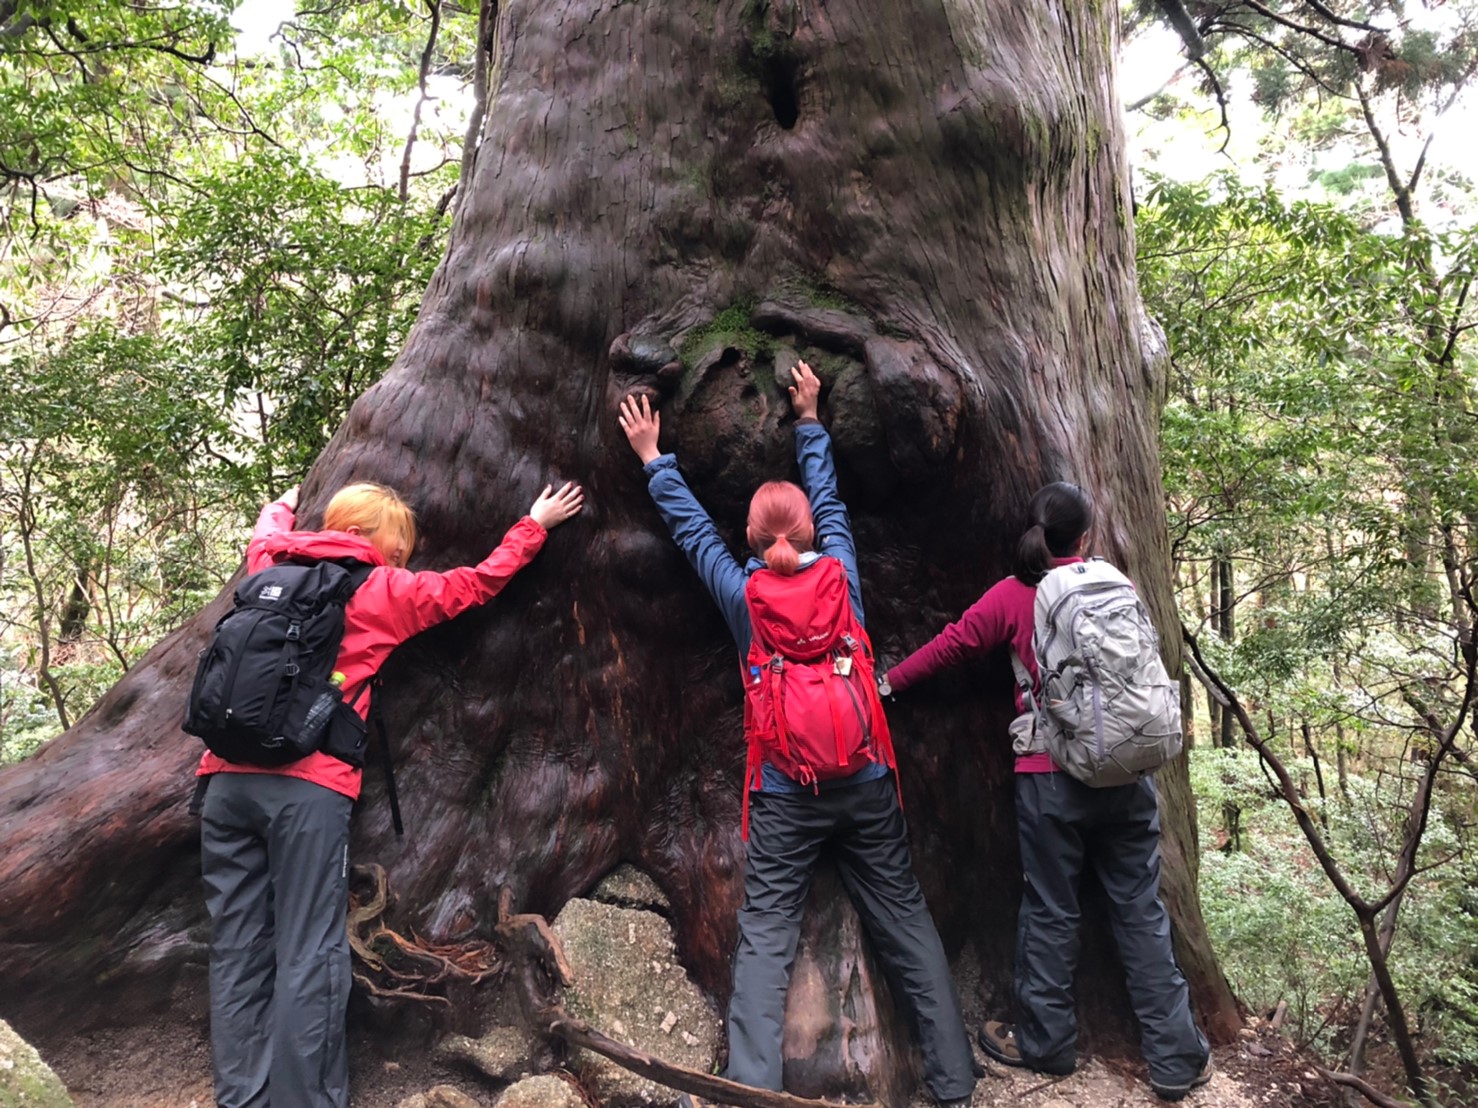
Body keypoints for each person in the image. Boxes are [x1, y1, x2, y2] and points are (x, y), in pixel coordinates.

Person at [618, 364, 976, 1108]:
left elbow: (693, 533)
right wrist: (809, 419)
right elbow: (832, 500)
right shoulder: (842, 575)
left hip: (787, 790)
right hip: (866, 778)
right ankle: (953, 1079)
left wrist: (653, 457)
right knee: (905, 920)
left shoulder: (744, 596)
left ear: (750, 538)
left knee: (766, 938)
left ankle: (756, 1091)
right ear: (812, 531)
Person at [197, 478, 583, 1108]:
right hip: (308, 791)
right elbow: (474, 584)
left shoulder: (270, 567)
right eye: (394, 548)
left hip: (223, 783)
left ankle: (241, 1097)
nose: (399, 560)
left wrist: (282, 505)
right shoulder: (381, 590)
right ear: (360, 537)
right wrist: (534, 525)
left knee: (238, 943)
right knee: (309, 948)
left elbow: (263, 534)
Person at [882, 481, 1213, 1102]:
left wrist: (889, 683)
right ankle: (1174, 1057)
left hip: (1051, 778)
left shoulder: (1013, 597)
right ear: (1085, 537)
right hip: (1127, 774)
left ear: (1031, 533)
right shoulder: (1116, 586)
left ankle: (1048, 1042)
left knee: (1051, 909)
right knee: (1139, 910)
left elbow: (953, 644)